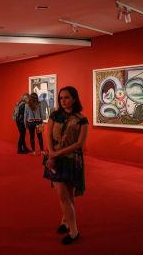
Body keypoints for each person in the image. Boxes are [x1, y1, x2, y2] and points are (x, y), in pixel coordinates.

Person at [43, 86, 88, 245]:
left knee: (68, 195)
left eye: (67, 97)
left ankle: (66, 222)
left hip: (71, 160)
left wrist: (56, 154)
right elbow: (48, 135)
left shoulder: (81, 119)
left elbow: (79, 143)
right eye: (61, 98)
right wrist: (52, 154)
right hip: (55, 160)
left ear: (74, 99)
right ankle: (74, 230)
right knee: (63, 195)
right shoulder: (54, 115)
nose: (63, 101)